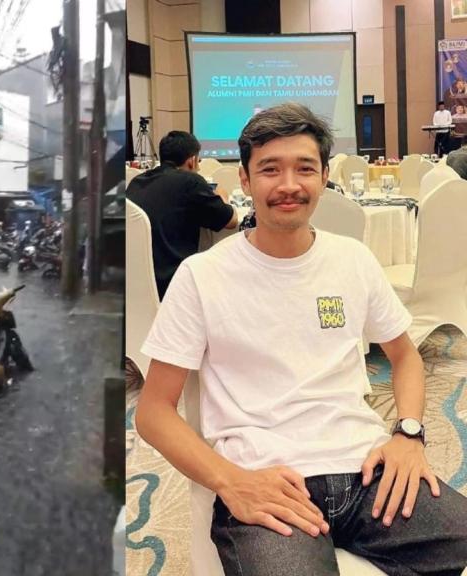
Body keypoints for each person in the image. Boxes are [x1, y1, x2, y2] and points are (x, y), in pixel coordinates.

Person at [135, 103, 467, 575]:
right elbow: (152, 413)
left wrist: (409, 433)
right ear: (245, 182)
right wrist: (231, 482)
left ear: (324, 176)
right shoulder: (202, 276)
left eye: (304, 168)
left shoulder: (351, 259)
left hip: (367, 470)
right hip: (267, 482)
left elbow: (405, 356)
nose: (289, 184)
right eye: (270, 169)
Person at [125, 130, 239, 299]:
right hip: (174, 284)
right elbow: (231, 221)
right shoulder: (191, 182)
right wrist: (222, 195)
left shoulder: (137, 182)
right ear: (192, 161)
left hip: (135, 283)